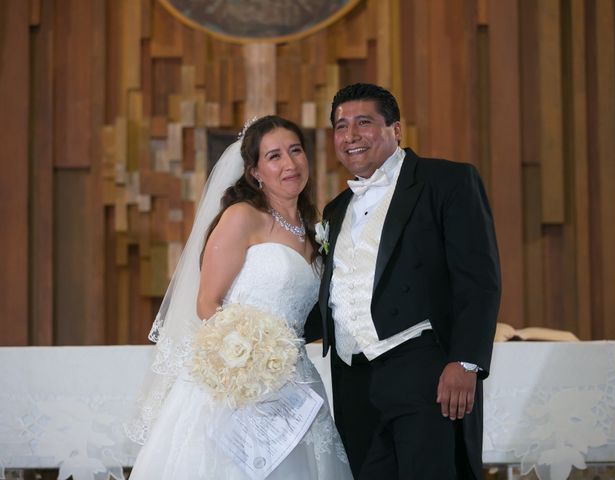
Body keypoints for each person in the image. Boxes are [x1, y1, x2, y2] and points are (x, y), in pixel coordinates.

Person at [126, 115, 353, 480]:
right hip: (237, 384)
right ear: (255, 171)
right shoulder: (242, 217)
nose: (290, 163)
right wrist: (246, 362)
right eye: (274, 156)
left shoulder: (314, 231)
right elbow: (207, 302)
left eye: (295, 150)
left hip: (296, 385)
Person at [313, 83, 501, 479]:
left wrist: (465, 361)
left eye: (364, 122)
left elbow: (478, 280)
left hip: (423, 370)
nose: (350, 136)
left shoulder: (446, 182)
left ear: (395, 130)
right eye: (341, 126)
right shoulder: (335, 209)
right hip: (352, 379)